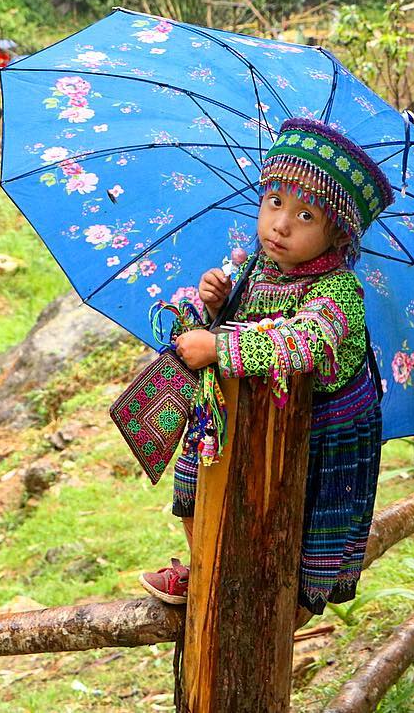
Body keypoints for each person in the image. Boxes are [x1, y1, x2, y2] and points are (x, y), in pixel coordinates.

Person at [139, 118, 392, 627]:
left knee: (294, 527)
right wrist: (217, 304)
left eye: (306, 215)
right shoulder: (256, 266)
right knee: (194, 479)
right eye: (275, 202)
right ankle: (205, 567)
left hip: (317, 432)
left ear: (338, 234)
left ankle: (278, 606)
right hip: (249, 415)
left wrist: (219, 344)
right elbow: (242, 323)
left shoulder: (339, 292)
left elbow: (299, 342)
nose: (281, 224)